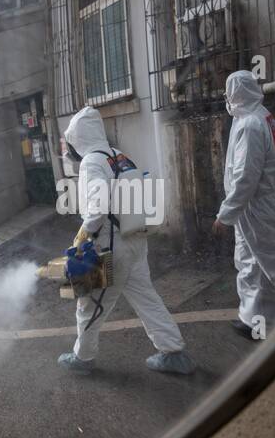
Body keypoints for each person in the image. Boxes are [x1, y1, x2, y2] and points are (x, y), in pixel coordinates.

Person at [58, 106, 195, 376]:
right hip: (134, 241)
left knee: (91, 303)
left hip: (109, 246)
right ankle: (174, 352)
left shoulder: (91, 162)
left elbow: (97, 208)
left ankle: (83, 358)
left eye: (71, 141)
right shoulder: (120, 155)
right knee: (146, 297)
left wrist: (82, 235)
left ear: (79, 138)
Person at [212, 70, 275, 339]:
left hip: (257, 206)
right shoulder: (257, 115)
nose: (226, 97)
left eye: (228, 92)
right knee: (250, 264)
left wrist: (226, 214)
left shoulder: (250, 124)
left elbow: (246, 177)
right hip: (256, 206)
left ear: (237, 93)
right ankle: (254, 321)